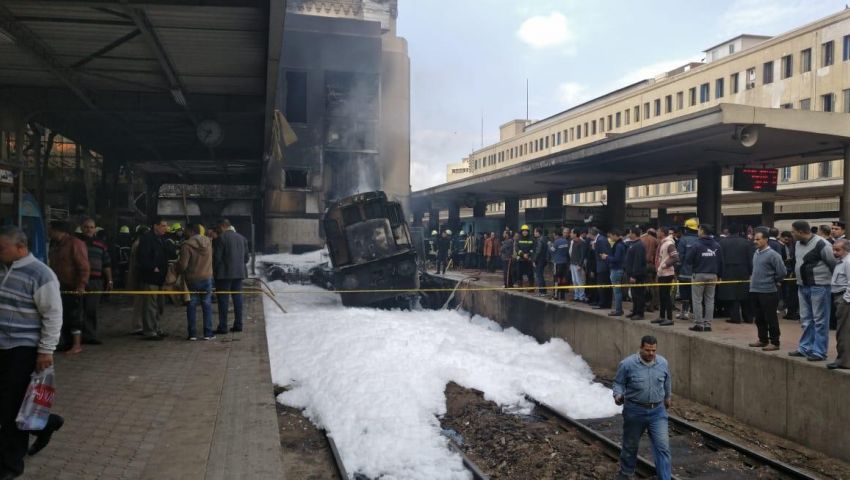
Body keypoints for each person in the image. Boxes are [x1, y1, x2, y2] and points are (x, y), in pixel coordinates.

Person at [0, 226, 62, 478]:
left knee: (12, 408)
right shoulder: (3, 269)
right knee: (8, 405)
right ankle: (47, 423)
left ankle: (10, 466)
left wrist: (46, 351)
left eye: (1, 248)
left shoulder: (41, 274)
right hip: (1, 346)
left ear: (21, 248)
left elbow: (53, 314)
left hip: (23, 350)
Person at [613, 335, 672, 480]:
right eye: (647, 350)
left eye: (653, 350)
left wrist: (668, 397)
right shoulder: (627, 364)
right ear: (640, 348)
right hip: (634, 411)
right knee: (630, 445)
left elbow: (667, 381)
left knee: (663, 447)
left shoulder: (663, 363)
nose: (651, 354)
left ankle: (665, 478)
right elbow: (618, 383)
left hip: (657, 412)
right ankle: (626, 473)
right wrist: (618, 395)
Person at [791, 220, 836, 361]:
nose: (791, 234)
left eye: (793, 231)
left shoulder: (822, 244)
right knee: (806, 319)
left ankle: (819, 351)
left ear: (800, 231)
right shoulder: (798, 244)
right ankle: (805, 348)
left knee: (820, 320)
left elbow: (833, 263)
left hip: (820, 286)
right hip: (802, 286)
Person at [48, 220, 89, 355]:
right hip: (58, 287)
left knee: (74, 316)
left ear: (58, 230)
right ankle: (66, 342)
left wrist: (81, 285)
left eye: (51, 229)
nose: (49, 232)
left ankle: (76, 345)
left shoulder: (75, 243)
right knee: (62, 315)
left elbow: (83, 266)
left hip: (72, 287)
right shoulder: (55, 245)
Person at [175, 223, 215, 341]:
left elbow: (183, 265)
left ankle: (192, 334)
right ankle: (208, 333)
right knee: (207, 305)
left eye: (186, 230)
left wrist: (176, 267)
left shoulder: (186, 245)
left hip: (192, 279)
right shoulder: (208, 242)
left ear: (191, 231)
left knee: (191, 305)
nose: (184, 232)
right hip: (207, 278)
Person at [748, 230, 787, 351]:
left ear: (766, 240)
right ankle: (762, 339)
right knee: (759, 317)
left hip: (769, 291)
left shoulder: (773, 255)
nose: (755, 241)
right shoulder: (756, 253)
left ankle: (775, 341)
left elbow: (782, 272)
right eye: (755, 239)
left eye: (758, 239)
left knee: (770, 317)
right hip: (755, 290)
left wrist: (773, 280)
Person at [78, 218, 113, 345]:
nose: (89, 229)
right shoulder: (77, 243)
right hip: (79, 281)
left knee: (91, 309)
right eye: (86, 227)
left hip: (95, 281)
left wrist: (109, 280)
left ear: (95, 229)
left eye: (91, 227)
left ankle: (90, 335)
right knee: (77, 309)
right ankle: (76, 336)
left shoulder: (101, 244)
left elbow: (107, 264)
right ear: (82, 228)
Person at [684, 224, 723, 332]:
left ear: (702, 231)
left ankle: (699, 324)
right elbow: (721, 262)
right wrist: (720, 276)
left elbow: (688, 260)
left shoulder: (696, 245)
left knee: (697, 300)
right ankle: (708, 324)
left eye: (699, 229)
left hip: (699, 274)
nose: (698, 231)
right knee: (710, 299)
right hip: (713, 275)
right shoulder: (717, 245)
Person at [137, 217, 170, 340]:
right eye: (163, 225)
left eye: (166, 226)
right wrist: (152, 268)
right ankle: (150, 331)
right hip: (150, 277)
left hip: (160, 277)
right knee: (150, 306)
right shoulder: (147, 239)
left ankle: (156, 328)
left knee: (159, 305)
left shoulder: (161, 239)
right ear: (155, 226)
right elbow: (142, 258)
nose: (165, 228)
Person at [214, 219, 249, 333]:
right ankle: (238, 325)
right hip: (239, 274)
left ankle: (223, 327)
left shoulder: (221, 238)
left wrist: (214, 271)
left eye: (219, 228)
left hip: (224, 275)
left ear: (224, 226)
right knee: (238, 299)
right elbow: (246, 258)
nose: (218, 230)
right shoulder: (242, 238)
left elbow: (217, 258)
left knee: (223, 301)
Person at [718, 226, 753, 324]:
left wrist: (720, 272)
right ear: (739, 232)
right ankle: (748, 317)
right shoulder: (746, 243)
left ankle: (735, 317)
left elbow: (720, 259)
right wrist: (751, 271)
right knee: (744, 294)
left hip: (727, 271)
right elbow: (750, 259)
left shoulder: (722, 242)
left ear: (728, 231)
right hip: (743, 270)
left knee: (731, 294)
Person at [829, 238, 850, 370]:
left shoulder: (848, 262)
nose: (834, 252)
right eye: (834, 249)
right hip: (839, 296)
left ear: (846, 250)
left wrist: (845, 299)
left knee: (843, 331)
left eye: (838, 250)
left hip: (844, 298)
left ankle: (843, 361)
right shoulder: (840, 262)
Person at [676, 219, 700, 320]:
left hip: (684, 273)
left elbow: (680, 257)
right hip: (697, 273)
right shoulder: (700, 240)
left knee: (684, 293)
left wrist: (677, 269)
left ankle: (684, 312)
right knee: (696, 294)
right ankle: (694, 313)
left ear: (686, 229)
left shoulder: (683, 240)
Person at [654, 228, 678, 326]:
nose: (657, 232)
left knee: (666, 296)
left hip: (667, 273)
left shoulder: (669, 244)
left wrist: (664, 265)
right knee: (662, 295)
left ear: (663, 233)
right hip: (662, 273)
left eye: (658, 231)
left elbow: (675, 257)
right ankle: (662, 316)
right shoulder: (663, 243)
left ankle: (669, 318)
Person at [602, 229, 627, 316]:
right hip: (617, 269)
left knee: (617, 291)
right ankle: (618, 309)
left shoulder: (619, 246)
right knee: (617, 291)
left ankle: (618, 310)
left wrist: (606, 257)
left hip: (616, 270)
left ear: (615, 235)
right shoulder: (620, 244)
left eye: (611, 236)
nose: (610, 238)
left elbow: (616, 259)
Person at [624, 227, 647, 320]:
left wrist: (634, 275)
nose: (629, 235)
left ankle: (640, 313)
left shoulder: (639, 245)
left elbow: (638, 261)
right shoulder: (633, 244)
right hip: (631, 273)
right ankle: (634, 310)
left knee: (639, 294)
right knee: (634, 294)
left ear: (634, 234)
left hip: (637, 275)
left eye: (630, 233)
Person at [780, 231, 799, 320]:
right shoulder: (793, 245)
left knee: (792, 294)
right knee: (790, 294)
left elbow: (794, 259)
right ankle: (791, 312)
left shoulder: (795, 245)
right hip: (792, 272)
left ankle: (792, 313)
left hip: (793, 273)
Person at [592, 227, 612, 310]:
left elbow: (604, 254)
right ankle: (604, 302)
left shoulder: (601, 240)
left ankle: (603, 303)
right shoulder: (600, 239)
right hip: (602, 266)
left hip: (603, 266)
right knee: (603, 285)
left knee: (602, 285)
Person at [640, 228, 659, 313]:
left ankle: (642, 304)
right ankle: (652, 305)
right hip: (651, 266)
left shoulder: (641, 239)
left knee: (642, 286)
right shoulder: (656, 241)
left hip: (642, 265)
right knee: (653, 286)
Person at [569, 227, 587, 302]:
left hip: (578, 265)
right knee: (574, 281)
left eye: (572, 233)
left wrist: (580, 264)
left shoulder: (581, 242)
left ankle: (581, 296)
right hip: (572, 263)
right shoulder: (573, 242)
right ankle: (576, 296)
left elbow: (583, 255)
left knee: (580, 281)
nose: (570, 234)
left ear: (575, 234)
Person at [514, 225, 534, 290]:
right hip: (520, 259)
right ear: (521, 231)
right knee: (519, 274)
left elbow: (533, 249)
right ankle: (520, 287)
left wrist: (528, 254)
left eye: (526, 231)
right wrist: (523, 254)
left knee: (530, 274)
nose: (525, 232)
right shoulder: (518, 239)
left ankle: (531, 287)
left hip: (528, 259)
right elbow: (517, 249)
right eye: (523, 231)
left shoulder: (531, 239)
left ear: (528, 231)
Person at [552, 229, 570, 300]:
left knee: (556, 279)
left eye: (554, 235)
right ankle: (562, 296)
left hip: (557, 263)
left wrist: (549, 246)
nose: (553, 237)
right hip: (565, 263)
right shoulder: (566, 241)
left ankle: (556, 295)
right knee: (563, 279)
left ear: (556, 235)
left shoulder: (556, 242)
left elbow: (552, 250)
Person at [532, 227, 548, 296]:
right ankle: (543, 291)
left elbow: (538, 251)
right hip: (544, 259)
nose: (534, 233)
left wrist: (534, 260)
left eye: (535, 232)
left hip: (539, 260)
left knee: (539, 275)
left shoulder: (540, 240)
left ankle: (542, 291)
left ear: (538, 233)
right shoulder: (544, 239)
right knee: (540, 275)